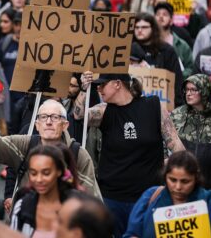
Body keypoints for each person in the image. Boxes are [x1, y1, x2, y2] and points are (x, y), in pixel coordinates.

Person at [74, 72, 185, 237]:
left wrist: (176, 172)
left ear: (118, 84)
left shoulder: (153, 106)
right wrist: (84, 89)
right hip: (112, 198)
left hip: (148, 196)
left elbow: (176, 147)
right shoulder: (104, 111)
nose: (99, 88)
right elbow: (78, 115)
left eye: (103, 84)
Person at [0, 87, 101, 199]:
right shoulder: (25, 145)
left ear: (65, 124)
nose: (48, 122)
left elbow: (90, 199)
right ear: (36, 125)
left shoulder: (78, 154)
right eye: (43, 117)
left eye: (55, 117)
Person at [124, 151, 211, 237]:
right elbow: (131, 233)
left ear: (196, 178)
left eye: (185, 181)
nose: (178, 187)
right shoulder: (151, 196)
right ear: (165, 176)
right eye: (173, 180)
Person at [170, 74, 211, 202]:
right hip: (180, 188)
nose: (188, 93)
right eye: (187, 90)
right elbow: (165, 144)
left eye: (193, 90)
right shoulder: (176, 116)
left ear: (205, 91)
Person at [10, 145, 78, 237]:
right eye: (33, 173)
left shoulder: (78, 207)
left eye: (46, 173)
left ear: (59, 171)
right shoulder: (22, 206)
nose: (39, 179)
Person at [133, 12, 184, 107]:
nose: (139, 30)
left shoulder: (167, 50)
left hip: (161, 106)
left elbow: (176, 81)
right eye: (136, 27)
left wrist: (177, 107)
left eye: (144, 27)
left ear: (153, 29)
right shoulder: (128, 50)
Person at [154, 2, 193, 79]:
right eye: (158, 14)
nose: (161, 16)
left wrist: (177, 74)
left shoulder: (182, 45)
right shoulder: (147, 43)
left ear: (171, 21)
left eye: (165, 14)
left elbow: (190, 68)